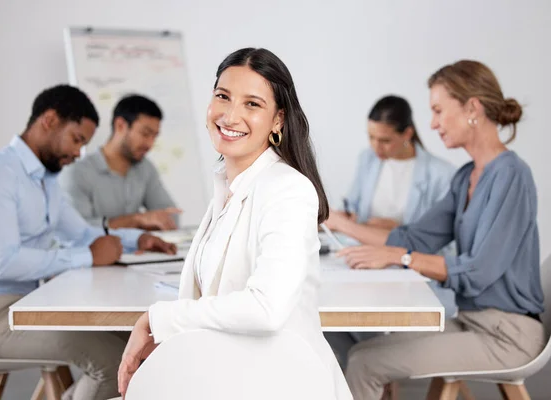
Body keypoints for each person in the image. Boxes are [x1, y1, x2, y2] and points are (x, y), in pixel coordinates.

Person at [116, 48, 353, 399]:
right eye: (223, 97)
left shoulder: (287, 188)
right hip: (228, 377)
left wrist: (157, 320)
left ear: (278, 120)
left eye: (252, 104)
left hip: (279, 384)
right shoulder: (227, 188)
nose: (230, 115)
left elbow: (265, 308)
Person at [0, 85, 175, 400]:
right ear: (50, 120)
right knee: (115, 363)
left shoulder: (46, 181)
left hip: (29, 306)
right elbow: (4, 263)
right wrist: (86, 256)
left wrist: (136, 238)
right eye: (77, 139)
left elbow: (82, 233)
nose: (78, 153)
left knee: (142, 342)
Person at [337, 60, 545, 400]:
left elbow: (479, 271)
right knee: (360, 353)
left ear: (472, 108)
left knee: (366, 364)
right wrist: (343, 224)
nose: (431, 124)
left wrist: (402, 258)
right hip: (471, 321)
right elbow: (413, 237)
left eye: (437, 111)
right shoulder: (466, 177)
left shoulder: (512, 175)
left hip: (507, 335)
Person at [323, 96, 457, 368]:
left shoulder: (442, 174)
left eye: (384, 140)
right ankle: (365, 374)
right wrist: (350, 218)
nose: (376, 147)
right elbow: (354, 207)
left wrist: (392, 227)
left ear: (407, 133)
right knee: (325, 316)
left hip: (410, 270)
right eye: (371, 137)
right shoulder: (368, 160)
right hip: (367, 260)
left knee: (363, 322)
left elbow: (441, 241)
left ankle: (369, 372)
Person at [59, 94, 181, 231]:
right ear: (120, 125)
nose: (150, 144)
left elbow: (171, 216)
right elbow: (76, 230)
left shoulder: (145, 168)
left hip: (140, 251)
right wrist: (137, 220)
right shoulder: (77, 172)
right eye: (145, 134)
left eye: (154, 136)